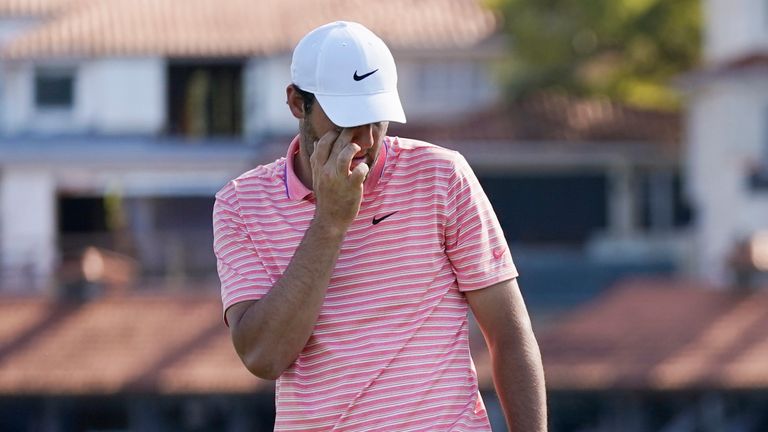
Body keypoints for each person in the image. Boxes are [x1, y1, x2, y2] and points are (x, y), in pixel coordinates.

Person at [213, 21, 546, 432]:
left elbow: (509, 334)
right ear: (298, 104)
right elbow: (263, 357)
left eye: (378, 118)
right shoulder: (240, 203)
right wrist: (330, 222)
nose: (368, 139)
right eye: (348, 119)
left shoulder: (442, 176)